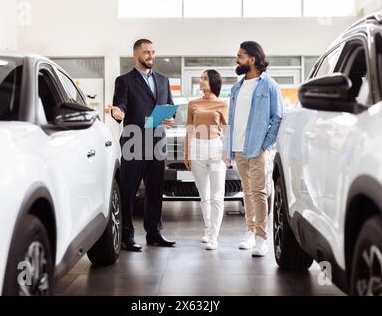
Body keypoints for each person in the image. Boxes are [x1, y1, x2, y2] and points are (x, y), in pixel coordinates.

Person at [109, 39, 176, 251]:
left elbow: (170, 107)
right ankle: (126, 236)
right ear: (136, 55)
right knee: (129, 192)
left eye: (153, 52)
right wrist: (117, 112)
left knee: (155, 191)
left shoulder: (163, 80)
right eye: (147, 52)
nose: (151, 56)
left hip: (157, 142)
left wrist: (170, 118)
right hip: (134, 142)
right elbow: (119, 106)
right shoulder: (124, 81)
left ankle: (154, 233)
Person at [223, 41, 283, 257]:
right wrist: (228, 147)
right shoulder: (236, 87)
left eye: (240, 56)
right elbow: (231, 119)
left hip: (256, 149)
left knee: (259, 192)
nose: (236, 59)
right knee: (246, 192)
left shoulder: (269, 85)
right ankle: (250, 231)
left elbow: (277, 117)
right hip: (238, 148)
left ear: (252, 59)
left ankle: (261, 238)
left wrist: (264, 145)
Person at [184, 70, 228, 250]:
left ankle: (213, 237)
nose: (201, 81)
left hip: (216, 148)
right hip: (197, 148)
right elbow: (189, 128)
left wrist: (228, 152)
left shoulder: (222, 104)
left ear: (214, 82)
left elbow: (228, 130)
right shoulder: (193, 104)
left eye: (204, 78)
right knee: (204, 196)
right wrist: (186, 153)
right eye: (201, 78)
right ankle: (208, 228)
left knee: (217, 195)